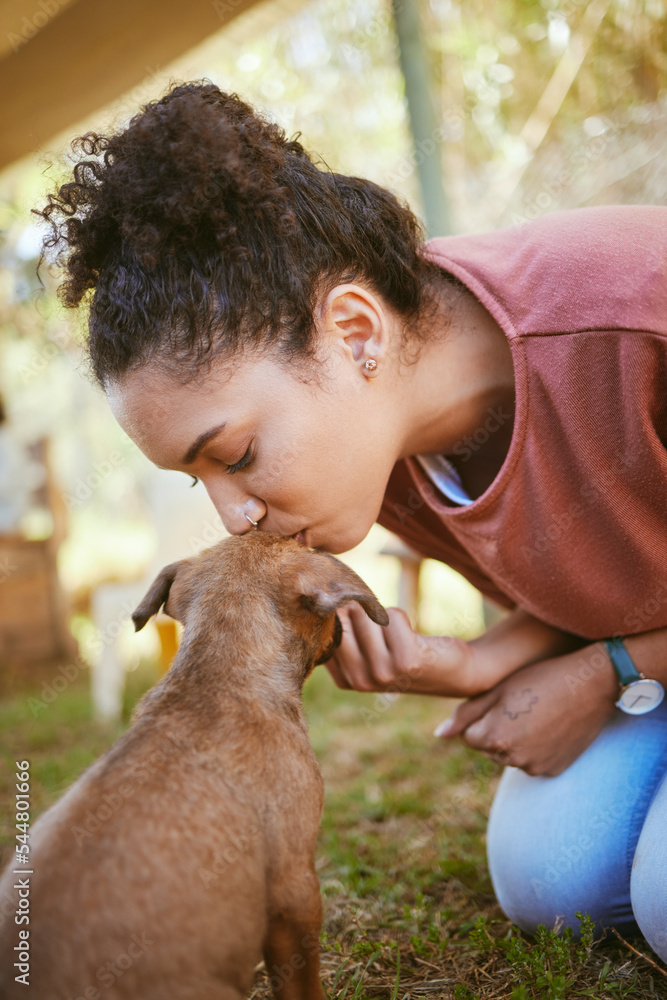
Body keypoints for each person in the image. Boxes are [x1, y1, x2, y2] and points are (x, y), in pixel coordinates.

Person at [36, 82, 667, 959]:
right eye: (197, 480)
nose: (235, 514)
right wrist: (478, 659)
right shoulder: (382, 445)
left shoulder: (634, 321)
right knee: (549, 882)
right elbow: (618, 564)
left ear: (354, 331)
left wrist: (609, 674)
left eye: (239, 454)